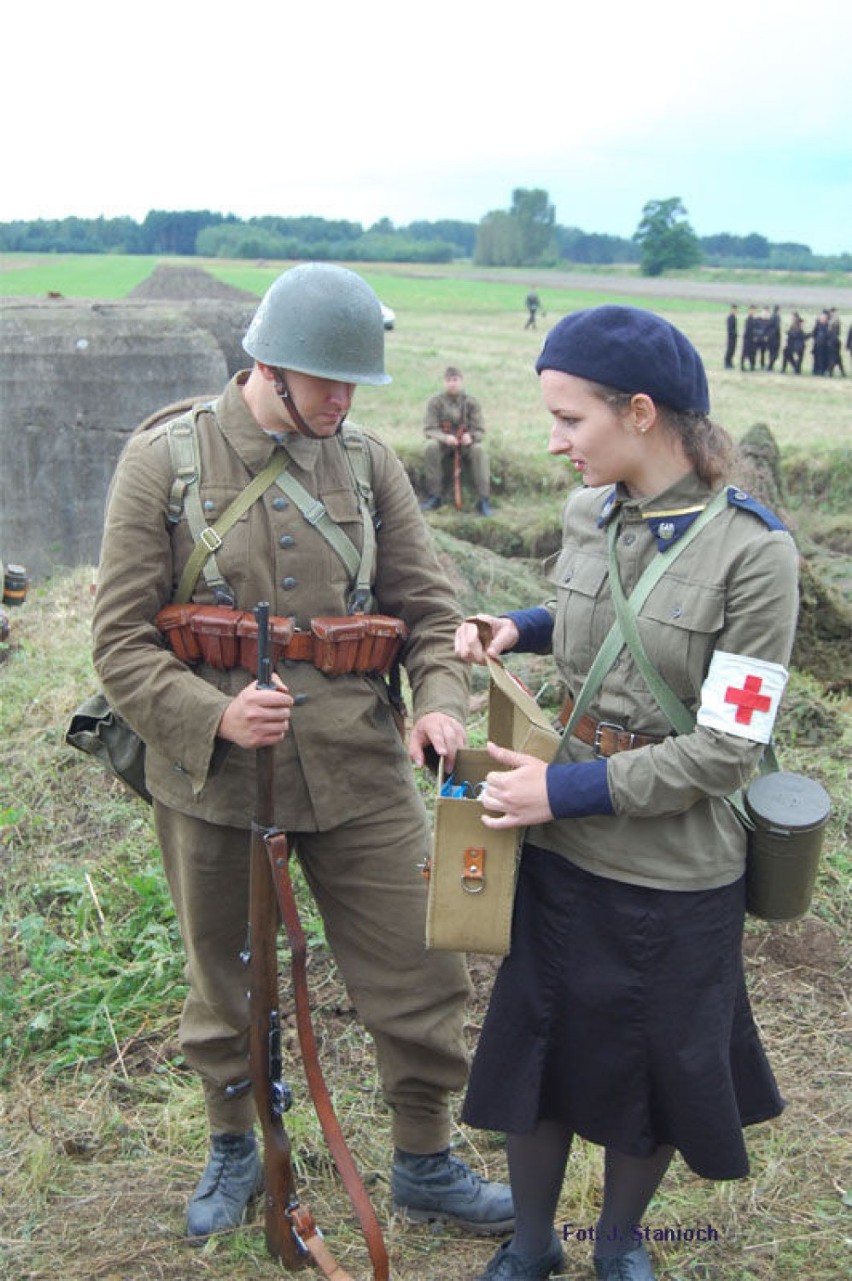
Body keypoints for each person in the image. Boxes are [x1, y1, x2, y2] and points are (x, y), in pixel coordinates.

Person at [92, 263, 513, 1242]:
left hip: (362, 765)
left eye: (354, 384)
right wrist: (211, 718)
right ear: (269, 368)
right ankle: (235, 1148)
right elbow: (117, 642)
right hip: (215, 778)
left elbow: (426, 605)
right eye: (328, 384)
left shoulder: (366, 464)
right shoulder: (166, 462)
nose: (344, 402)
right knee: (226, 974)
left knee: (419, 960)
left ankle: (425, 1158)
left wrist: (439, 704)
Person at [453, 305, 799, 1281]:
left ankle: (615, 1244)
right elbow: (593, 616)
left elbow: (729, 751)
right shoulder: (589, 511)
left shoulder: (757, 556)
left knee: (652, 1068)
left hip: (672, 869)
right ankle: (530, 1243)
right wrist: (518, 627)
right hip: (561, 849)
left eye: (570, 420)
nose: (555, 441)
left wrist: (563, 791)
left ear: (641, 412)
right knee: (543, 1050)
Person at [421, 366, 493, 516]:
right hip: (443, 444)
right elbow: (429, 429)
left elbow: (480, 429)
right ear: (444, 382)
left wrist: (470, 437)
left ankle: (483, 499)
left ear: (461, 381)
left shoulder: (471, 403)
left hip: (466, 444)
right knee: (430, 447)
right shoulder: (435, 403)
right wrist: (444, 438)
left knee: (479, 450)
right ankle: (435, 496)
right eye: (448, 380)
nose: (452, 383)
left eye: (455, 380)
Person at [740, 305, 758, 370]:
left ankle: (752, 365)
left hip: (753, 340)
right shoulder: (748, 319)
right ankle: (742, 365)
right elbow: (748, 330)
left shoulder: (754, 319)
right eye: (751, 310)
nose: (753, 311)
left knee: (752, 353)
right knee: (745, 352)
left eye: (754, 310)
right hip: (747, 339)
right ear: (749, 310)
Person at [723, 303, 737, 368]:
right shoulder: (730, 318)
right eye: (734, 309)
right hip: (731, 337)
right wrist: (733, 334)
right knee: (729, 350)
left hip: (734, 337)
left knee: (732, 350)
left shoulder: (734, 317)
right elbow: (730, 328)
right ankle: (727, 363)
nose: (735, 311)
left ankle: (730, 362)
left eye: (735, 310)